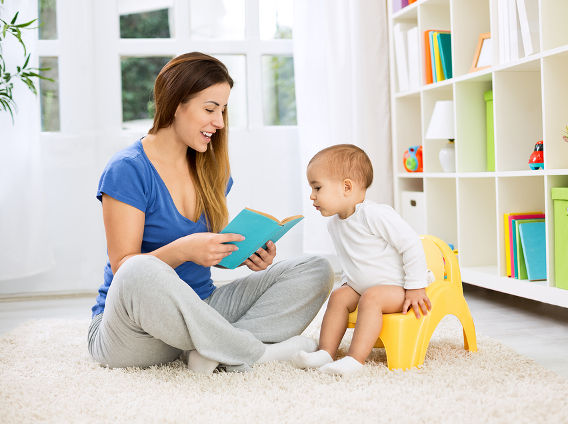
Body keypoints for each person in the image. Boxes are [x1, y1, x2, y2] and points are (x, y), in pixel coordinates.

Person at [87, 52, 334, 374]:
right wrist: (184, 250)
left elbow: (208, 252)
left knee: (315, 268)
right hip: (133, 332)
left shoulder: (210, 168)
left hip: (201, 311)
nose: (219, 122)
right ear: (176, 104)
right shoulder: (128, 169)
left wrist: (243, 254)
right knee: (138, 269)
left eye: (223, 110)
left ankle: (210, 350)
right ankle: (252, 352)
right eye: (210, 109)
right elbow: (124, 269)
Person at [292, 144, 432, 376]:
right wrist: (349, 282)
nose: (312, 196)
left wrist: (416, 287)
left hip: (397, 287)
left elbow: (411, 244)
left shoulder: (375, 215)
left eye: (317, 187)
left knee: (372, 298)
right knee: (338, 296)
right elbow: (355, 260)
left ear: (346, 187)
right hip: (363, 285)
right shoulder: (335, 224)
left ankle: (355, 360)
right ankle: (326, 352)